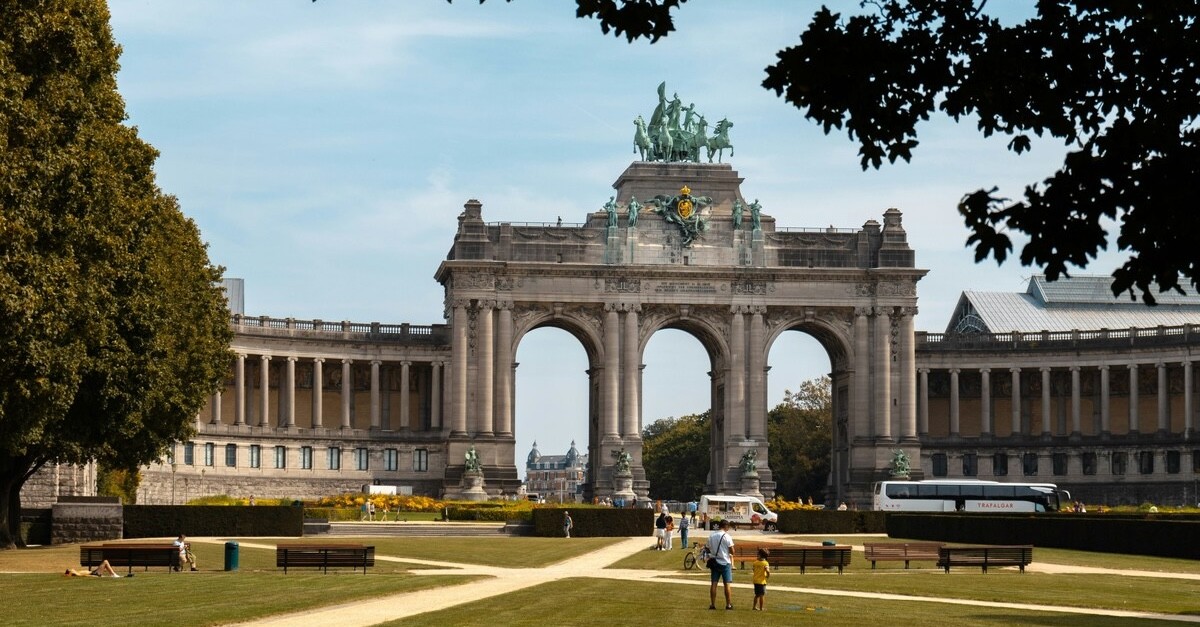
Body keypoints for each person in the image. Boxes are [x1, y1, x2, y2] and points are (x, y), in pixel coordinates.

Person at [707, 519, 734, 610]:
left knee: (714, 583)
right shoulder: (727, 536)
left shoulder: (712, 536)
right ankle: (728, 604)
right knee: (727, 584)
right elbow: (732, 551)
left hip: (715, 562)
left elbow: (707, 548)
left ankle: (712, 604)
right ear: (726, 526)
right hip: (725, 562)